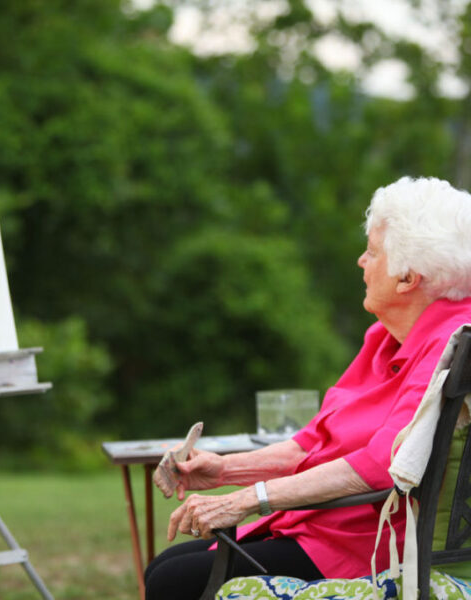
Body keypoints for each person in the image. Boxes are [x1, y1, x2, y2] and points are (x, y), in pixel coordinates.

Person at [144, 176, 471, 600]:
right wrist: (227, 470)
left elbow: (380, 464)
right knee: (166, 568)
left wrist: (249, 499)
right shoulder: (384, 336)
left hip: (365, 545)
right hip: (321, 524)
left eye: (372, 252)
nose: (360, 261)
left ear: (407, 278)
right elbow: (310, 443)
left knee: (173, 581)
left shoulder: (450, 343)